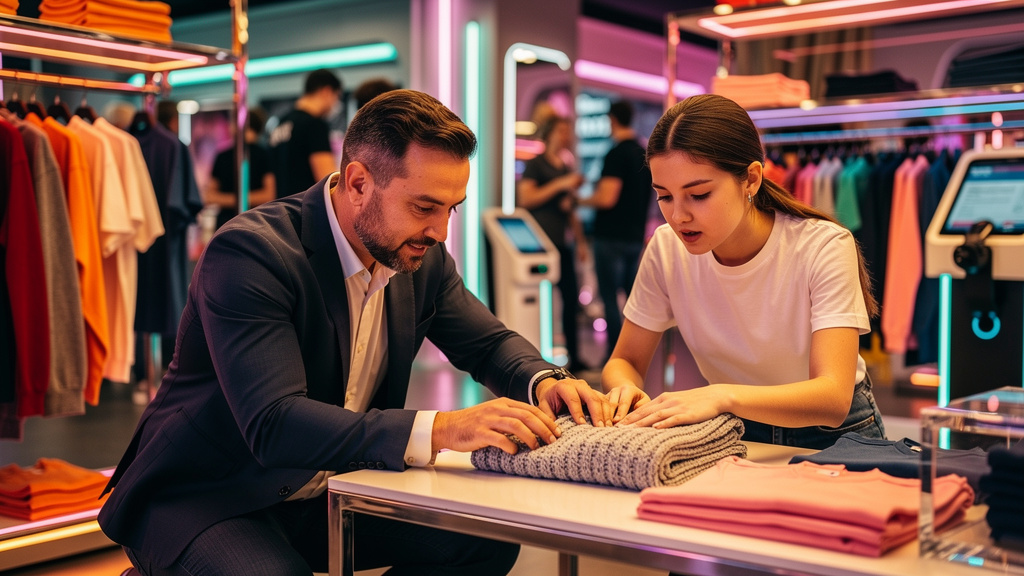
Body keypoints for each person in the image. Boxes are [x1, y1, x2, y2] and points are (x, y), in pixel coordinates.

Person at [98, 89, 612, 576]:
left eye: (451, 209)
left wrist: (546, 380)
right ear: (359, 182)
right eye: (424, 206)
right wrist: (443, 428)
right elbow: (274, 423)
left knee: (482, 539)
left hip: (320, 490)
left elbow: (490, 344)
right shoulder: (253, 254)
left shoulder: (420, 256)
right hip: (208, 492)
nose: (441, 231)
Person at [603, 94, 886, 451]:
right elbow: (624, 360)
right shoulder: (665, 248)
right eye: (664, 196)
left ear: (751, 179)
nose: (678, 217)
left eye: (699, 194)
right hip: (732, 428)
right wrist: (625, 389)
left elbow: (832, 398)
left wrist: (720, 397)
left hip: (834, 435)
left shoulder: (823, 246)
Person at [579, 100, 653, 361]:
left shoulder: (616, 153)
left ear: (612, 119)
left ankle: (614, 357)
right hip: (634, 237)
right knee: (634, 302)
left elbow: (607, 197)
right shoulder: (642, 153)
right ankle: (635, 357)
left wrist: (579, 200)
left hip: (610, 237)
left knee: (610, 299)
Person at [516, 115, 589, 373]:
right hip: (537, 243)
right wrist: (560, 185)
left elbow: (570, 211)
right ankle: (533, 357)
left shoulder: (564, 168)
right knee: (536, 301)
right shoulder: (537, 165)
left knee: (571, 300)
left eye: (567, 129)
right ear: (549, 133)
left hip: (561, 243)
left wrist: (580, 242)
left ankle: (574, 357)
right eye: (561, 129)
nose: (566, 134)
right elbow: (526, 198)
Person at [269, 68, 341, 198]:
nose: (335, 103)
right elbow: (328, 180)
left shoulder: (280, 124)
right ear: (327, 91)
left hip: (280, 209)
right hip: (305, 209)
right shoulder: (314, 125)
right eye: (336, 97)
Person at [203, 106, 276, 230]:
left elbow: (268, 195)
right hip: (258, 223)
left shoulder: (224, 156)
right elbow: (210, 197)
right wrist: (245, 199)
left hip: (228, 225)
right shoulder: (267, 154)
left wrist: (226, 199)